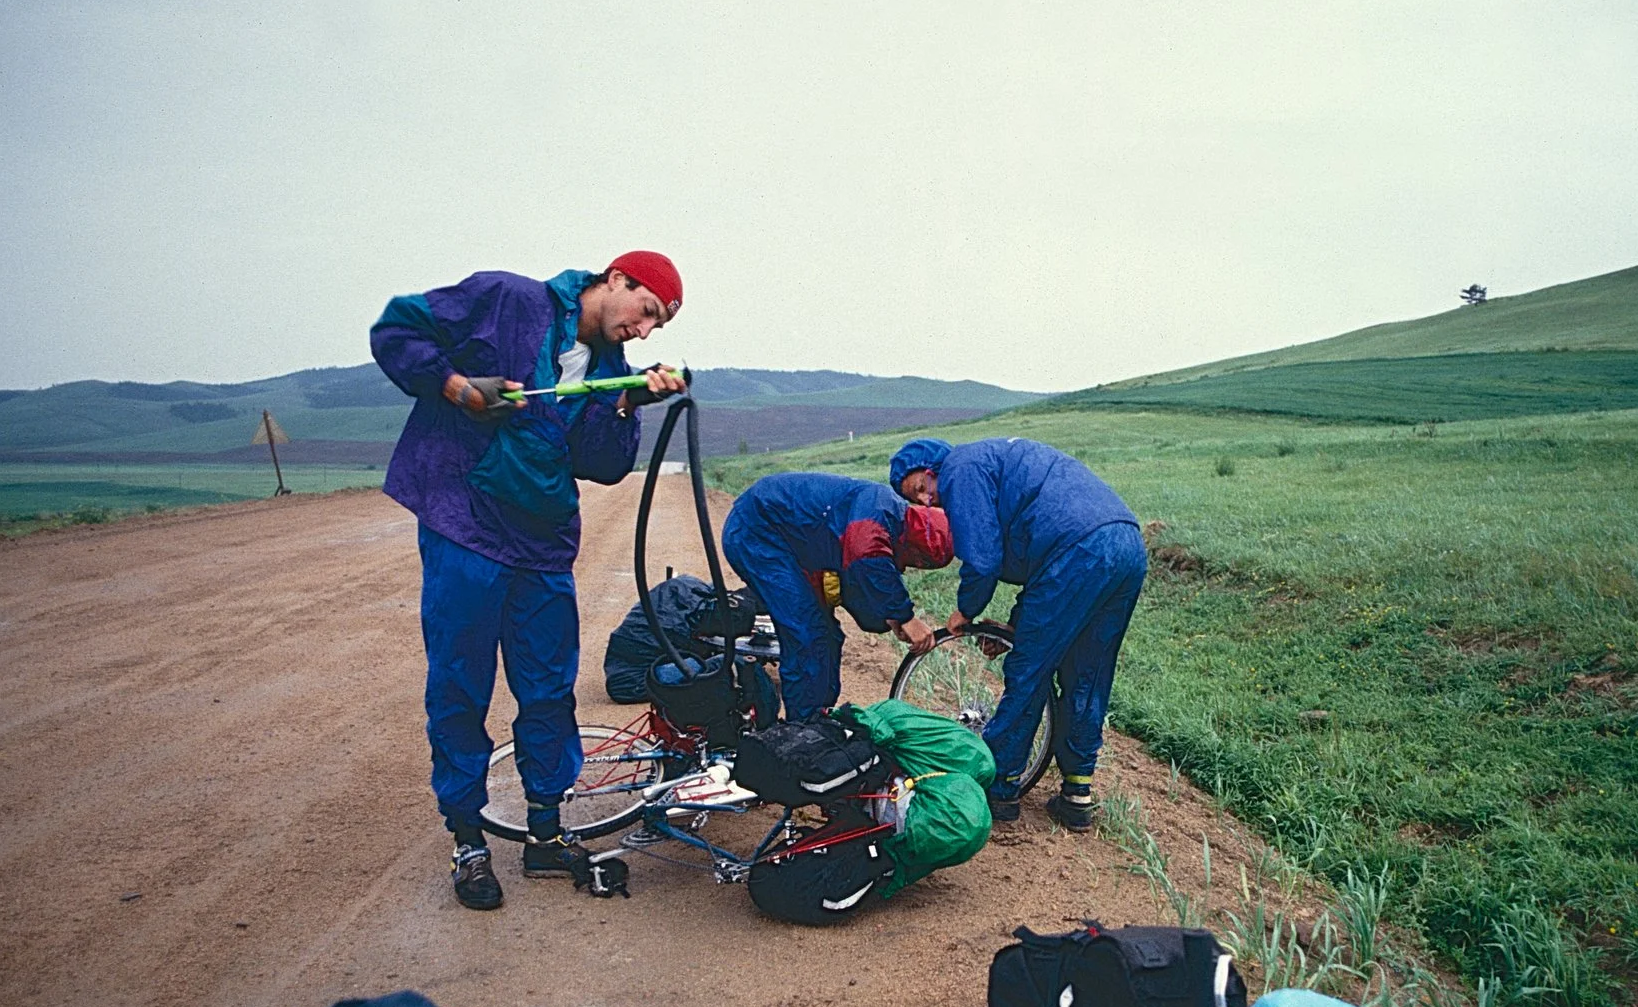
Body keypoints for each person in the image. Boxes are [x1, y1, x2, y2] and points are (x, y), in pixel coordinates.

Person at [371, 253, 688, 910]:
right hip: (466, 520)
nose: (644, 331)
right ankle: (469, 843)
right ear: (617, 280)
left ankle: (545, 832)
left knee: (547, 686)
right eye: (647, 312)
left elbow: (602, 465)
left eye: (656, 326)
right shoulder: (508, 300)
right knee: (461, 684)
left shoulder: (607, 370)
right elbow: (396, 330)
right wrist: (456, 387)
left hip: (542, 541)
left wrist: (628, 401)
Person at [888, 436, 1145, 831]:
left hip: (1077, 550)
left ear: (931, 469)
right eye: (917, 499)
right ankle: (1077, 794)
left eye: (921, 488)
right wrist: (1016, 627)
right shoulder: (994, 462)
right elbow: (1047, 573)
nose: (926, 501)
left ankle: (999, 787)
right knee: (1088, 671)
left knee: (1028, 671)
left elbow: (983, 558)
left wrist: (965, 611)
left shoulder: (959, 468)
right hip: (1125, 544)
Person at [721, 472, 954, 719]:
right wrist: (905, 616)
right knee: (806, 633)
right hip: (757, 531)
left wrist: (890, 617)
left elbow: (857, 587)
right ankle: (802, 727)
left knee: (827, 635)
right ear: (918, 540)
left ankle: (821, 717)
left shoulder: (889, 522)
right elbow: (868, 559)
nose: (912, 565)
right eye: (919, 560)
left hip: (787, 539)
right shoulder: (879, 512)